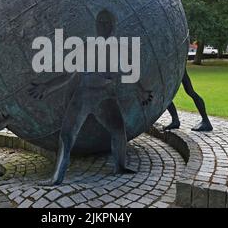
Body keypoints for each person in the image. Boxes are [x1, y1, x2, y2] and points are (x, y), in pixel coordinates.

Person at [28, 10, 152, 185]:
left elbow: (129, 72)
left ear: (113, 26)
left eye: (108, 23)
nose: (104, 27)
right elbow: (69, 75)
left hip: (106, 96)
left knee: (118, 131)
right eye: (101, 23)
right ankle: (57, 177)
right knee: (66, 135)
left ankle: (120, 166)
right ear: (96, 25)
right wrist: (46, 87)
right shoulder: (86, 47)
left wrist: (141, 91)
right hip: (84, 95)